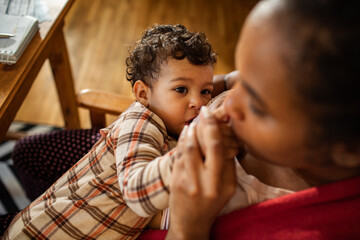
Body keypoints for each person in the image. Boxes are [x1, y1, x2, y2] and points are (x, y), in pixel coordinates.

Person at [158, 0, 360, 239]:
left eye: (257, 105)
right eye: (243, 77)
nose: (229, 101)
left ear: (346, 149)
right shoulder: (271, 84)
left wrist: (187, 227)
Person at [3, 24, 223, 239]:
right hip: (43, 231)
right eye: (181, 89)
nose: (199, 102)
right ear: (143, 94)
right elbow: (138, 192)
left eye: (206, 91)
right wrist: (191, 152)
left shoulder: (174, 127)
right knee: (26, 153)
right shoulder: (142, 124)